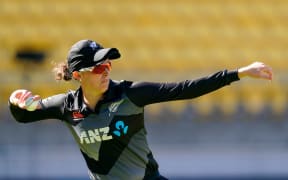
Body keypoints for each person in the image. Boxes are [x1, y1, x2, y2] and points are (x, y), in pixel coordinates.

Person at [8, 39, 273, 180]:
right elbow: (22, 114)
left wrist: (238, 73)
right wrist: (15, 98)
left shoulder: (131, 93)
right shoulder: (66, 106)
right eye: (99, 68)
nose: (106, 72)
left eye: (108, 66)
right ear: (78, 75)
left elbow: (185, 88)